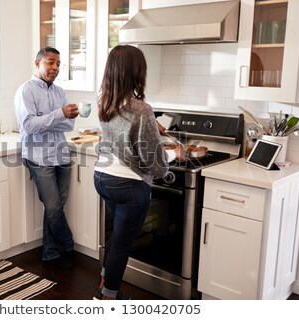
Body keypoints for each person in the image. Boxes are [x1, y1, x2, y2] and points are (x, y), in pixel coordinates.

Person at [93, 45, 186, 300]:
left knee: (118, 235)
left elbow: (122, 135)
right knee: (123, 242)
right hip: (128, 185)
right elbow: (154, 162)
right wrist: (174, 154)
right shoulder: (141, 108)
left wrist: (151, 128)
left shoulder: (105, 100)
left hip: (103, 177)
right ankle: (108, 298)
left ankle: (104, 281)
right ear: (137, 71)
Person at [14, 47, 79, 268]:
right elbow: (30, 126)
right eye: (50, 62)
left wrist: (53, 118)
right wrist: (59, 114)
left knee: (57, 206)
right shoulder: (26, 91)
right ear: (37, 63)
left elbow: (69, 124)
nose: (55, 68)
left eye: (58, 64)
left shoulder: (60, 92)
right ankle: (68, 243)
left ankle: (50, 252)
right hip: (38, 156)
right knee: (53, 208)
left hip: (60, 153)